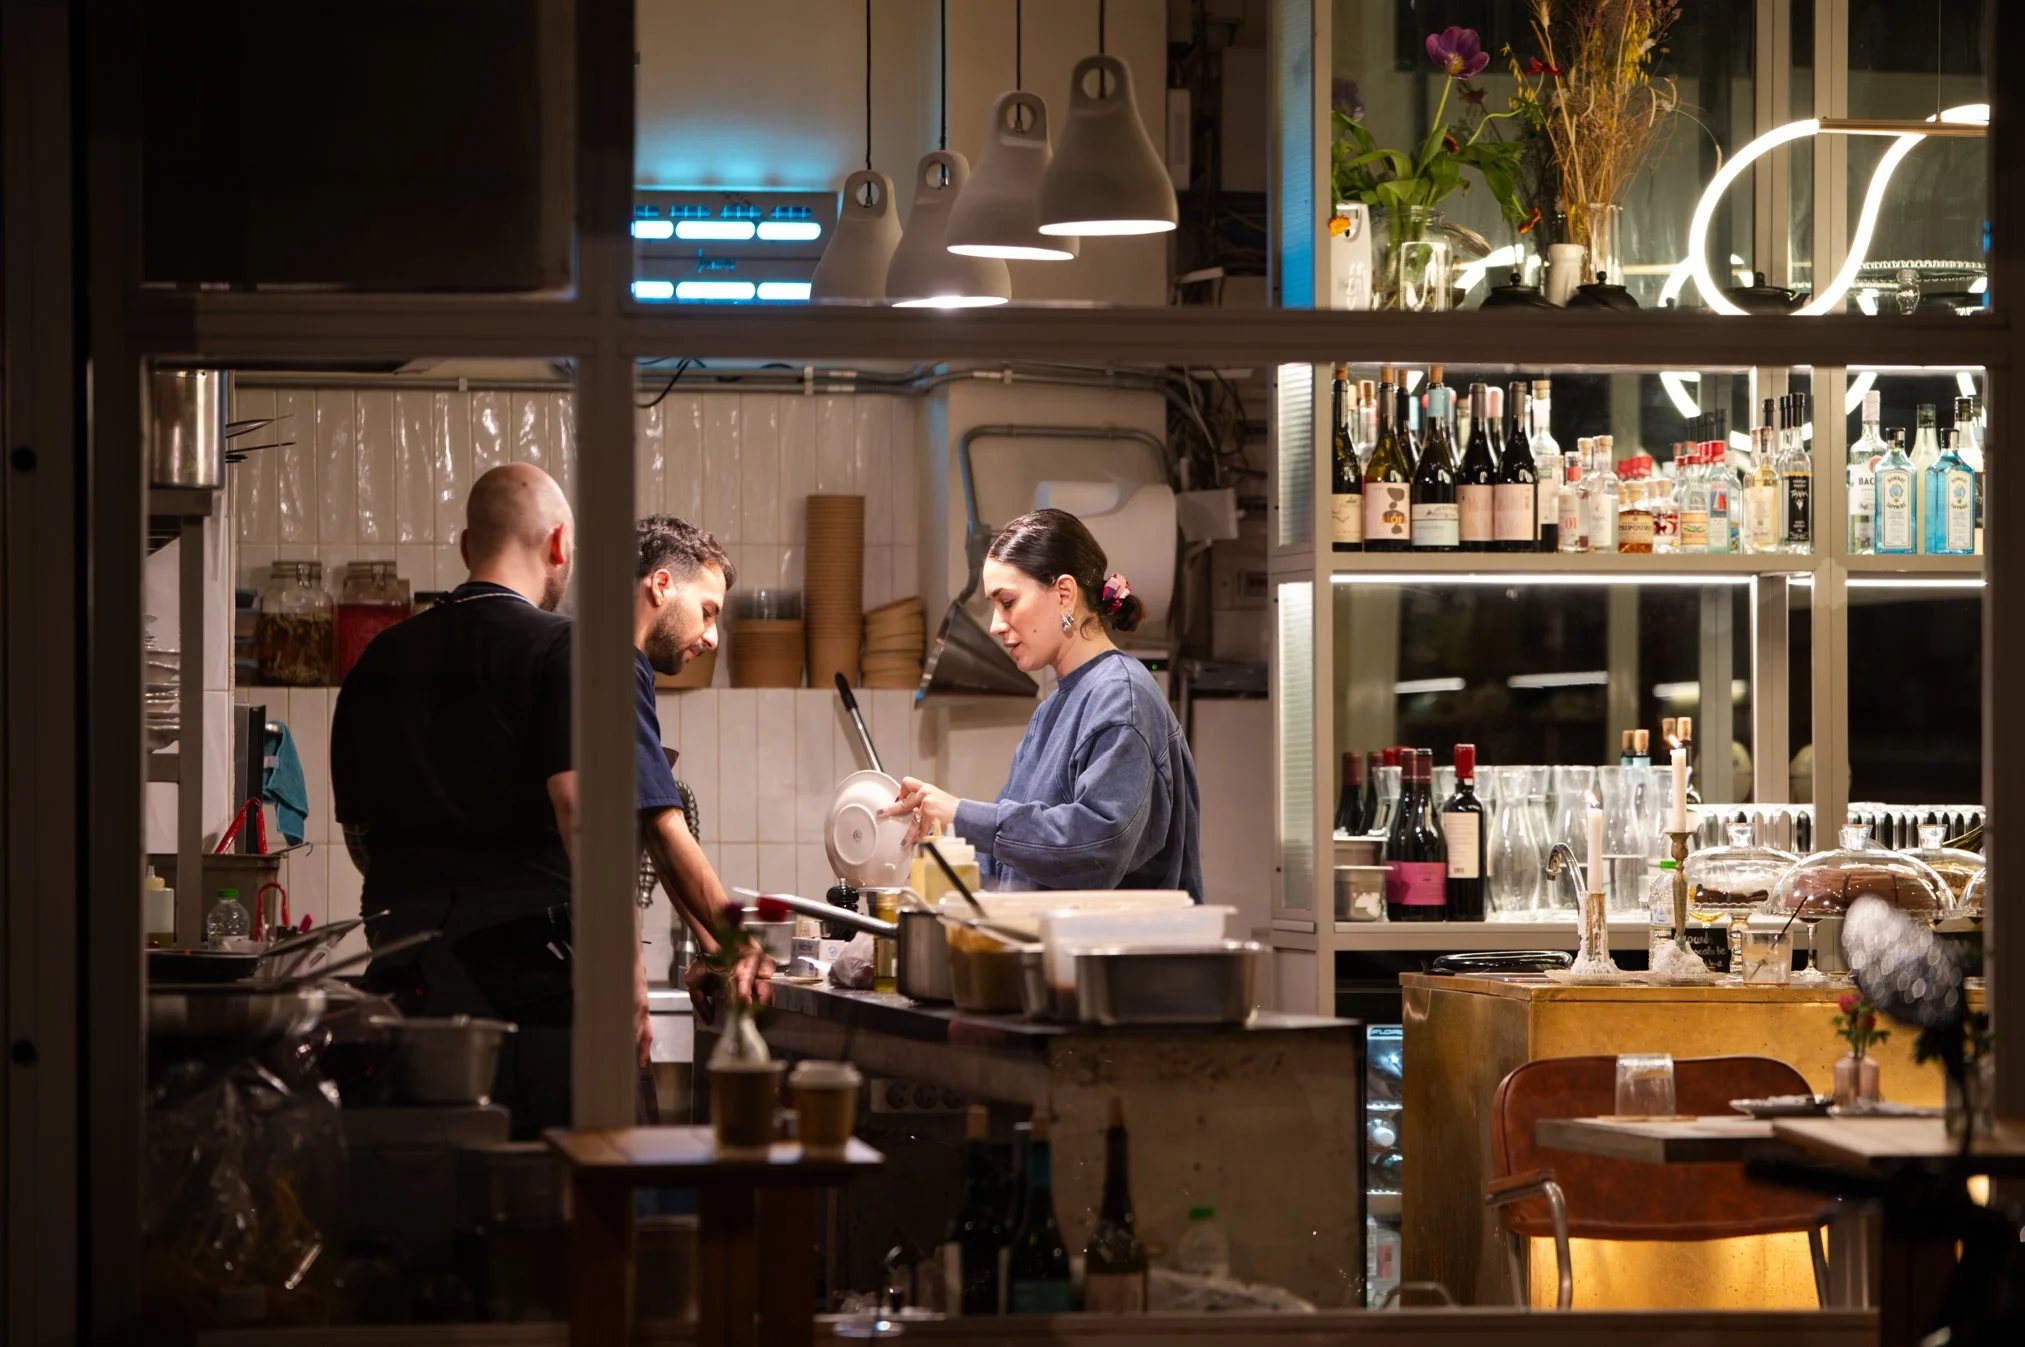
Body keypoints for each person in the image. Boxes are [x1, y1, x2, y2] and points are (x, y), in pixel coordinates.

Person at [882, 508, 1203, 900]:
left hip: (1109, 958)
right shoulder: (1051, 712)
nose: (996, 624)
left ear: (1064, 594)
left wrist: (961, 813)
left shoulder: (1122, 696)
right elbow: (1007, 861)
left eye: (1007, 602)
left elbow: (1097, 847)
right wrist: (933, 838)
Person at [629, 514, 768, 1023]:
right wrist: (740, 942)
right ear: (662, 585)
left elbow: (650, 821)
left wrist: (714, 947)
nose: (712, 638)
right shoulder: (614, 668)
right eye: (708, 612)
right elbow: (665, 825)